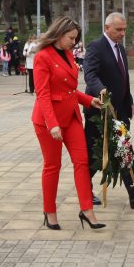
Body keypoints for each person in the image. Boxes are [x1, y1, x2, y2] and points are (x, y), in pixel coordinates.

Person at [32, 17, 104, 230]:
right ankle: (50, 212)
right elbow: (43, 94)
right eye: (71, 38)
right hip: (48, 121)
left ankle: (87, 210)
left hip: (71, 117)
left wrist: (89, 100)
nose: (74, 42)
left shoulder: (68, 54)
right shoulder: (42, 57)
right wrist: (52, 124)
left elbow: (69, 91)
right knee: (52, 166)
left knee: (82, 162)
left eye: (75, 39)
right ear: (59, 34)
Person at [83, 12, 134, 209]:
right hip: (99, 111)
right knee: (94, 154)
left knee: (125, 151)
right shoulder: (95, 47)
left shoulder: (121, 49)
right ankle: (84, 190)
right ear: (106, 28)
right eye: (118, 30)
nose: (122, 33)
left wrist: (129, 100)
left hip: (120, 112)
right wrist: (101, 90)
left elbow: (123, 79)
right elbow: (90, 75)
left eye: (124, 29)